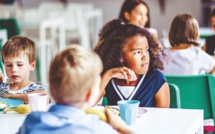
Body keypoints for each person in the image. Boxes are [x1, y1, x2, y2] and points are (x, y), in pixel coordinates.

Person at [18, 45, 135, 134]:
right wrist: (121, 128)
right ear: (90, 95)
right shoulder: (97, 128)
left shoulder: (33, 121)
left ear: (52, 90)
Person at [94, 19, 170, 108]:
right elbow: (89, 103)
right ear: (120, 56)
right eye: (137, 52)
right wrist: (108, 74)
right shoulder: (109, 80)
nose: (145, 56)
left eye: (146, 50)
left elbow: (163, 116)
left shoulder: (156, 79)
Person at [0, 35, 47, 103]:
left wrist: (9, 96)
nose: (14, 70)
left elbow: (43, 97)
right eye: (9, 65)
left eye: (19, 65)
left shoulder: (36, 88)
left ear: (32, 66)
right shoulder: (3, 87)